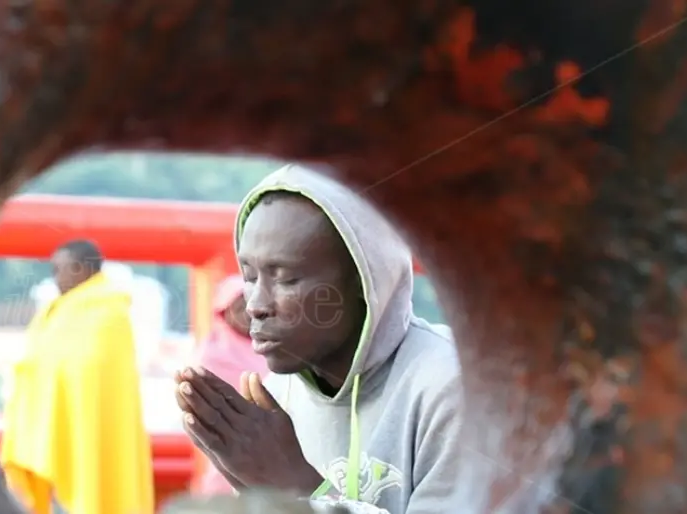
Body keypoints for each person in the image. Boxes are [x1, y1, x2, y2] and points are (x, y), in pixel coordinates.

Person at [174, 164, 467, 513]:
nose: (255, 306)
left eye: (285, 279)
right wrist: (253, 488)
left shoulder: (453, 390)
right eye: (249, 277)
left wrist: (298, 488)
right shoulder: (278, 396)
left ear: (363, 280)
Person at [0, 240, 154, 514]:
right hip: (54, 433)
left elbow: (92, 375)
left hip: (90, 431)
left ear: (80, 268)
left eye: (58, 269)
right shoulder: (57, 310)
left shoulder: (109, 314)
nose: (54, 278)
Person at [192, 275, 269, 496]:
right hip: (228, 458)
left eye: (252, 305)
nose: (247, 313)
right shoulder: (211, 356)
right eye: (239, 307)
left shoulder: (278, 352)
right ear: (223, 312)